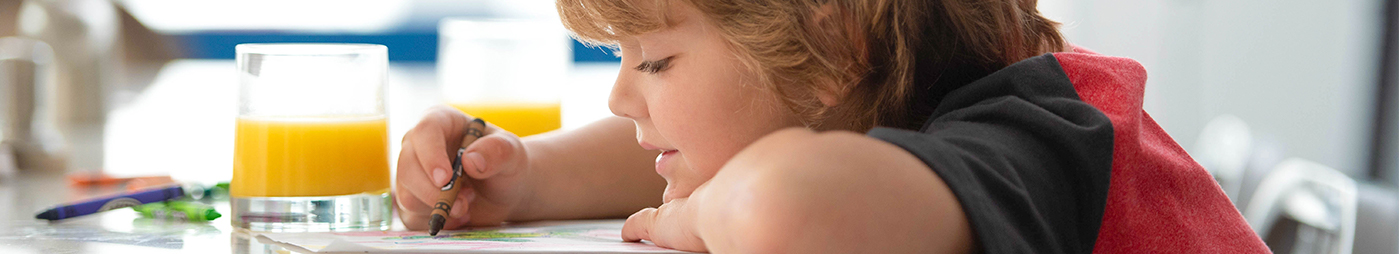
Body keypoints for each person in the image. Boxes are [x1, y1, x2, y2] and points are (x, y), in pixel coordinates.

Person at [396, 0, 1269, 252]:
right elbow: (721, 157)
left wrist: (694, 217)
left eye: (654, 61)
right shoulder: (895, 114)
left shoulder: (1036, 136)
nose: (624, 99)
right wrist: (524, 177)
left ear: (832, 44)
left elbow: (779, 204)